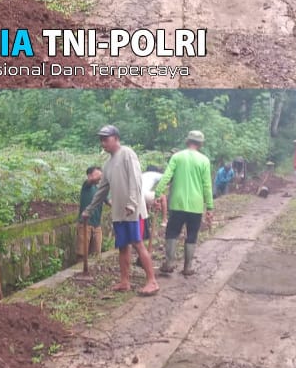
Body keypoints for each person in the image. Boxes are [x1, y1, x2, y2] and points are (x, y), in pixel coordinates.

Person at [81, 125, 159, 296]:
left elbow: (136, 179)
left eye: (106, 139)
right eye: (101, 140)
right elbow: (102, 191)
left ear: (116, 138)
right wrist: (89, 209)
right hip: (118, 212)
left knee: (137, 244)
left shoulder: (127, 154)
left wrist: (132, 203)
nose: (103, 143)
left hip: (132, 210)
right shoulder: (107, 165)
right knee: (122, 246)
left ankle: (152, 281)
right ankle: (125, 281)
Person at [154, 130, 213, 277]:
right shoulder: (204, 160)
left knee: (172, 232)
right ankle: (187, 267)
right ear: (200, 144)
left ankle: (169, 263)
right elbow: (207, 185)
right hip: (196, 205)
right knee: (192, 234)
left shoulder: (177, 157)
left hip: (177, 204)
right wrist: (210, 207)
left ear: (187, 141)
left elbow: (167, 176)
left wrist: (158, 193)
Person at [78, 166, 104, 257]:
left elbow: (109, 201)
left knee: (96, 255)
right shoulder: (86, 186)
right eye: (97, 174)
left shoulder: (100, 190)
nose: (100, 177)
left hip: (97, 226)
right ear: (89, 175)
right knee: (82, 254)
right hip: (85, 225)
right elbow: (91, 181)